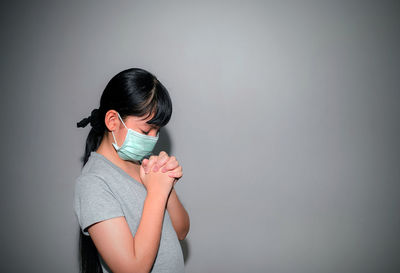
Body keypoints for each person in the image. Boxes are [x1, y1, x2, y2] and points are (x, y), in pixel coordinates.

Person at [73, 68, 189, 273]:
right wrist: (157, 192)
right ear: (112, 121)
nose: (153, 139)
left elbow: (181, 230)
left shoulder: (143, 165)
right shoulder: (93, 183)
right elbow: (133, 269)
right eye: (146, 130)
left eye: (157, 131)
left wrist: (167, 184)